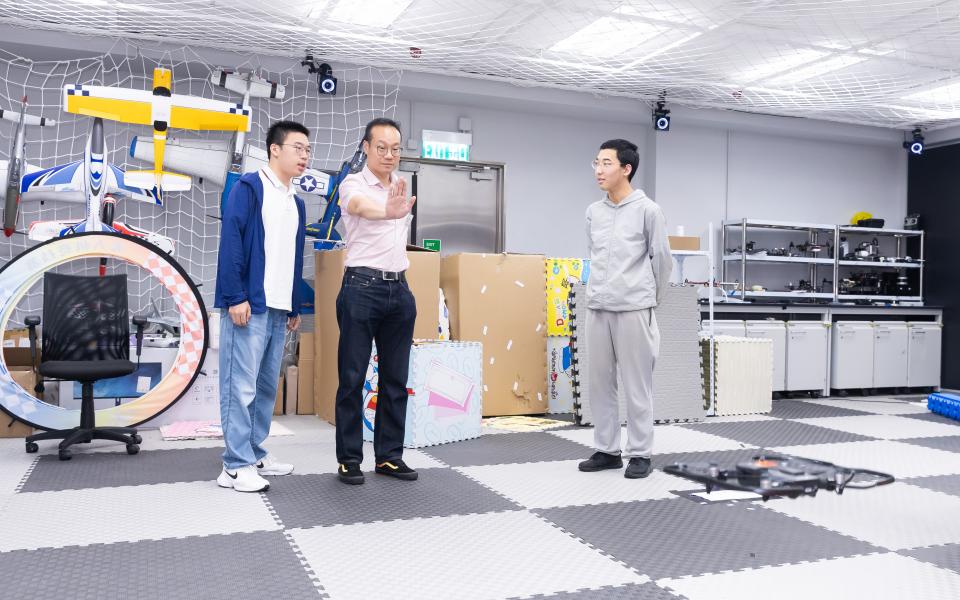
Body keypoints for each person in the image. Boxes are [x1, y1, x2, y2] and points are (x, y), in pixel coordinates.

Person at [213, 120, 308, 492]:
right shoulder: (249, 189)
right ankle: (234, 466)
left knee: (266, 386)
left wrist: (295, 306)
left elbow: (294, 257)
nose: (305, 156)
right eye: (298, 148)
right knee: (240, 386)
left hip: (280, 307)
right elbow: (232, 243)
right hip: (249, 304)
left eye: (308, 150)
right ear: (274, 149)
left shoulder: (295, 201)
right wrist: (235, 296)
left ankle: (253, 451)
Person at [578, 138, 673, 479]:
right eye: (596, 163)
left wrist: (649, 299)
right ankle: (607, 450)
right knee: (600, 383)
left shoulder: (649, 210)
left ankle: (640, 453)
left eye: (606, 163)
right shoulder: (594, 212)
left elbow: (662, 259)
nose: (598, 170)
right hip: (598, 307)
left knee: (637, 384)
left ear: (626, 169)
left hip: (634, 307)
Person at [333, 117, 418, 485]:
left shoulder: (400, 185)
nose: (389, 154)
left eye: (395, 148)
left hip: (399, 290)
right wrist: (388, 212)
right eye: (381, 147)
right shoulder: (353, 183)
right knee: (352, 378)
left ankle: (388, 456)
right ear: (366, 147)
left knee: (396, 380)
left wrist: (394, 208)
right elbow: (359, 207)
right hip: (361, 288)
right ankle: (350, 459)